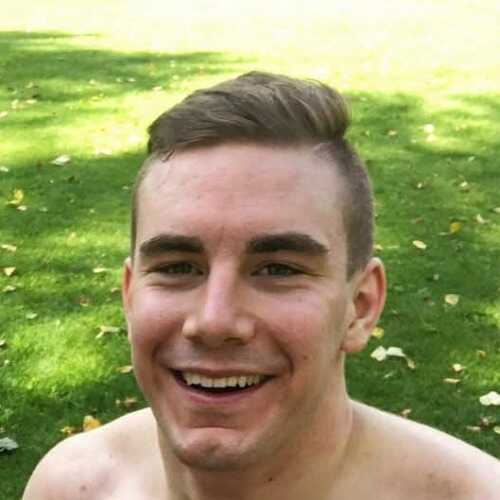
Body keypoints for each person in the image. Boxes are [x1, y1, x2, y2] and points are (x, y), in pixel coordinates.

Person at [23, 72, 499, 500]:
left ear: (361, 306)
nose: (213, 322)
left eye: (278, 270)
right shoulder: (73, 487)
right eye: (178, 267)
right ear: (130, 296)